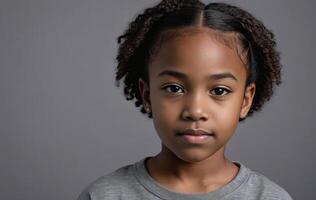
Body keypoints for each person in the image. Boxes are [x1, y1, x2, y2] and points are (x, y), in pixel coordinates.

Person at [77, 0, 292, 199]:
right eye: (174, 88)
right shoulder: (104, 196)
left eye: (219, 91)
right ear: (147, 95)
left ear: (245, 101)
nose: (195, 110)